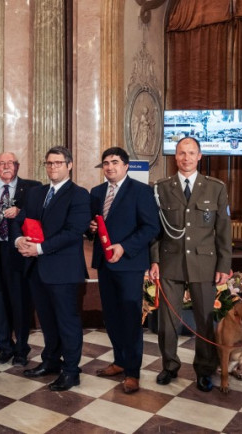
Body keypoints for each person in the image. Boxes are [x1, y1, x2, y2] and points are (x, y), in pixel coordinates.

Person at [149, 137, 232, 392]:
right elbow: (155, 230)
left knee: (205, 320)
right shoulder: (161, 187)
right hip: (170, 262)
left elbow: (223, 231)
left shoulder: (215, 188)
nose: (186, 158)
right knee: (168, 320)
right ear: (175, 157)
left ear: (199, 157)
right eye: (181, 153)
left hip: (204, 263)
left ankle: (205, 370)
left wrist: (223, 265)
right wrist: (154, 260)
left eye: (191, 153)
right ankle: (169, 366)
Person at [15, 146, 90, 392]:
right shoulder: (36, 193)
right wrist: (19, 240)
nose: (52, 167)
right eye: (49, 163)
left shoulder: (79, 194)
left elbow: (73, 232)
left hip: (64, 270)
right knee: (47, 320)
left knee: (67, 322)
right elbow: (21, 220)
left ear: (69, 165)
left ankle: (71, 371)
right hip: (37, 270)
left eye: (58, 163)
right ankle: (50, 362)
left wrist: (39, 249)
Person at [88, 147, 160, 394]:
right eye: (106, 163)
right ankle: (119, 361)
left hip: (129, 264)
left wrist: (125, 247)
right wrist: (91, 229)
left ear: (126, 166)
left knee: (130, 319)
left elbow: (151, 227)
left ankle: (133, 372)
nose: (109, 167)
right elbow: (92, 227)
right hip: (105, 264)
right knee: (112, 317)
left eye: (115, 162)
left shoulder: (141, 191)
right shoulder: (96, 193)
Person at [0, 152, 40, 367]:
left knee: (20, 303)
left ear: (17, 166)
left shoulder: (32, 187)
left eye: (10, 163)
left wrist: (21, 212)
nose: (6, 166)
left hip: (20, 251)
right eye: (2, 163)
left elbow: (38, 214)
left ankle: (21, 349)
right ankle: (4, 347)